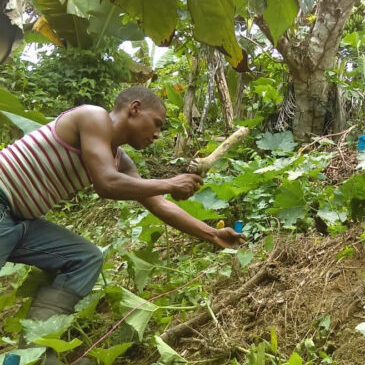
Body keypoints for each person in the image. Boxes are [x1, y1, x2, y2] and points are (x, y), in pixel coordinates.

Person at [0, 86, 245, 364]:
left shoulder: (121, 161)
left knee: (85, 258)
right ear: (135, 108)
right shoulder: (93, 116)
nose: (157, 134)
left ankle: (34, 355)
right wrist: (170, 183)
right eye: (157, 124)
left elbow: (159, 204)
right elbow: (107, 183)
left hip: (20, 221)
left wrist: (213, 234)